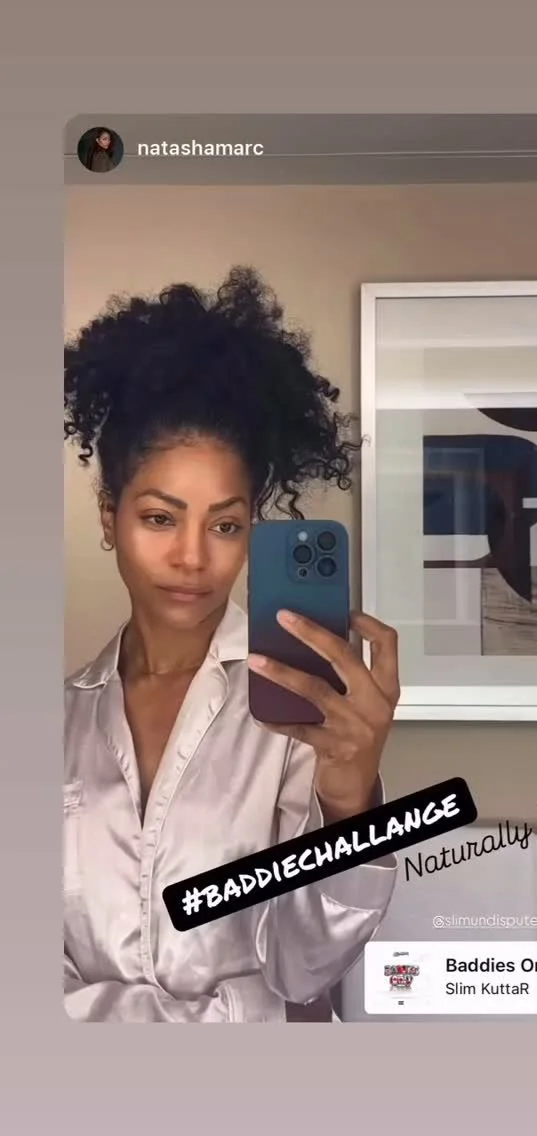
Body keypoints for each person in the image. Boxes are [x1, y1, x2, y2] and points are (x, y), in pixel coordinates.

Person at [64, 266, 400, 1023]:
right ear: (110, 515)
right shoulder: (52, 723)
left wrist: (350, 804)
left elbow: (303, 968)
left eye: (224, 524)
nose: (193, 557)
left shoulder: (305, 713)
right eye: (160, 518)